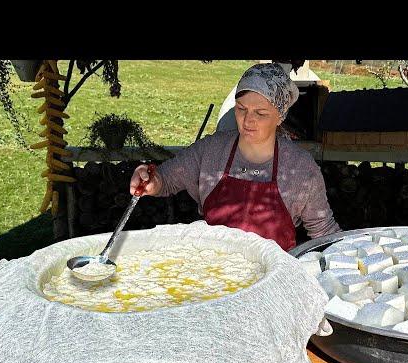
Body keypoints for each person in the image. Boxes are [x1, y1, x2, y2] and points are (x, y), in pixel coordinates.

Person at [129, 62, 341, 251]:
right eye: (241, 109)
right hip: (216, 275)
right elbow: (165, 180)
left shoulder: (300, 168)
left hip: (271, 284)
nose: (248, 121)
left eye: (260, 113)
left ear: (280, 116)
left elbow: (323, 230)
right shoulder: (211, 150)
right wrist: (150, 180)